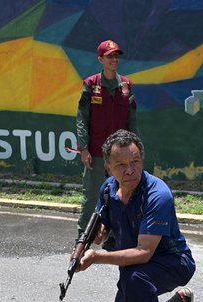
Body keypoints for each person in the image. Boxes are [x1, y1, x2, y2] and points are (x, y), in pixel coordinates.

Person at [76, 129, 196, 302]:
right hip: (137, 266)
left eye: (135, 162)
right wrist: (98, 234)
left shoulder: (157, 194)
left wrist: (97, 257)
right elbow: (103, 220)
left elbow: (143, 253)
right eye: (120, 165)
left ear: (142, 160)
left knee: (134, 278)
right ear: (108, 168)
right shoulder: (108, 189)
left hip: (173, 261)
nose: (130, 170)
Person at [75, 39, 138, 238]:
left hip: (120, 154)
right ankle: (83, 236)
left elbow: (132, 119)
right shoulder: (90, 84)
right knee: (92, 196)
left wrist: (134, 147)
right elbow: (82, 117)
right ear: (100, 59)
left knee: (121, 194)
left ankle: (113, 235)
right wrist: (83, 147)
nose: (114, 60)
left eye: (116, 56)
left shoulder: (126, 86)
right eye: (110, 56)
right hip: (95, 151)